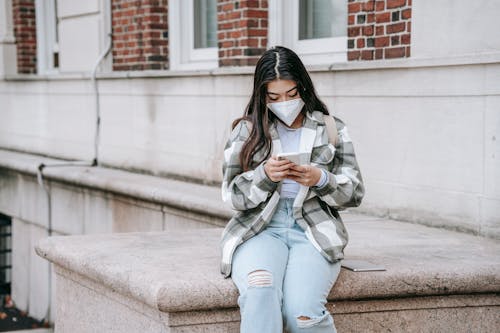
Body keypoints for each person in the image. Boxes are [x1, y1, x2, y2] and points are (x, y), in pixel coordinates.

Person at [220, 46, 365, 333]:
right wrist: (264, 175)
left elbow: (355, 192)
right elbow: (231, 196)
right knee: (260, 290)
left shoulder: (331, 128)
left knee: (302, 315)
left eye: (291, 94)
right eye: (274, 97)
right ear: (262, 96)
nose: (284, 102)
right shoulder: (246, 131)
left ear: (303, 87)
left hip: (313, 229)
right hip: (259, 228)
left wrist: (321, 179)